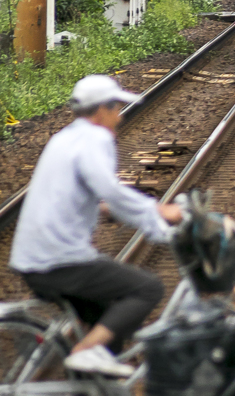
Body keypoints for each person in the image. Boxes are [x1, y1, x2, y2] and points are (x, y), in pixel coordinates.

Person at [9, 74, 183, 378]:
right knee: (147, 288)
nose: (119, 116)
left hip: (31, 259)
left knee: (108, 314)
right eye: (116, 108)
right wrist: (162, 213)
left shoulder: (65, 138)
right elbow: (111, 191)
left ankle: (96, 393)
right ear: (101, 109)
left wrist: (108, 210)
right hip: (58, 261)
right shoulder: (95, 138)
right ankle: (85, 352)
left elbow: (84, 193)